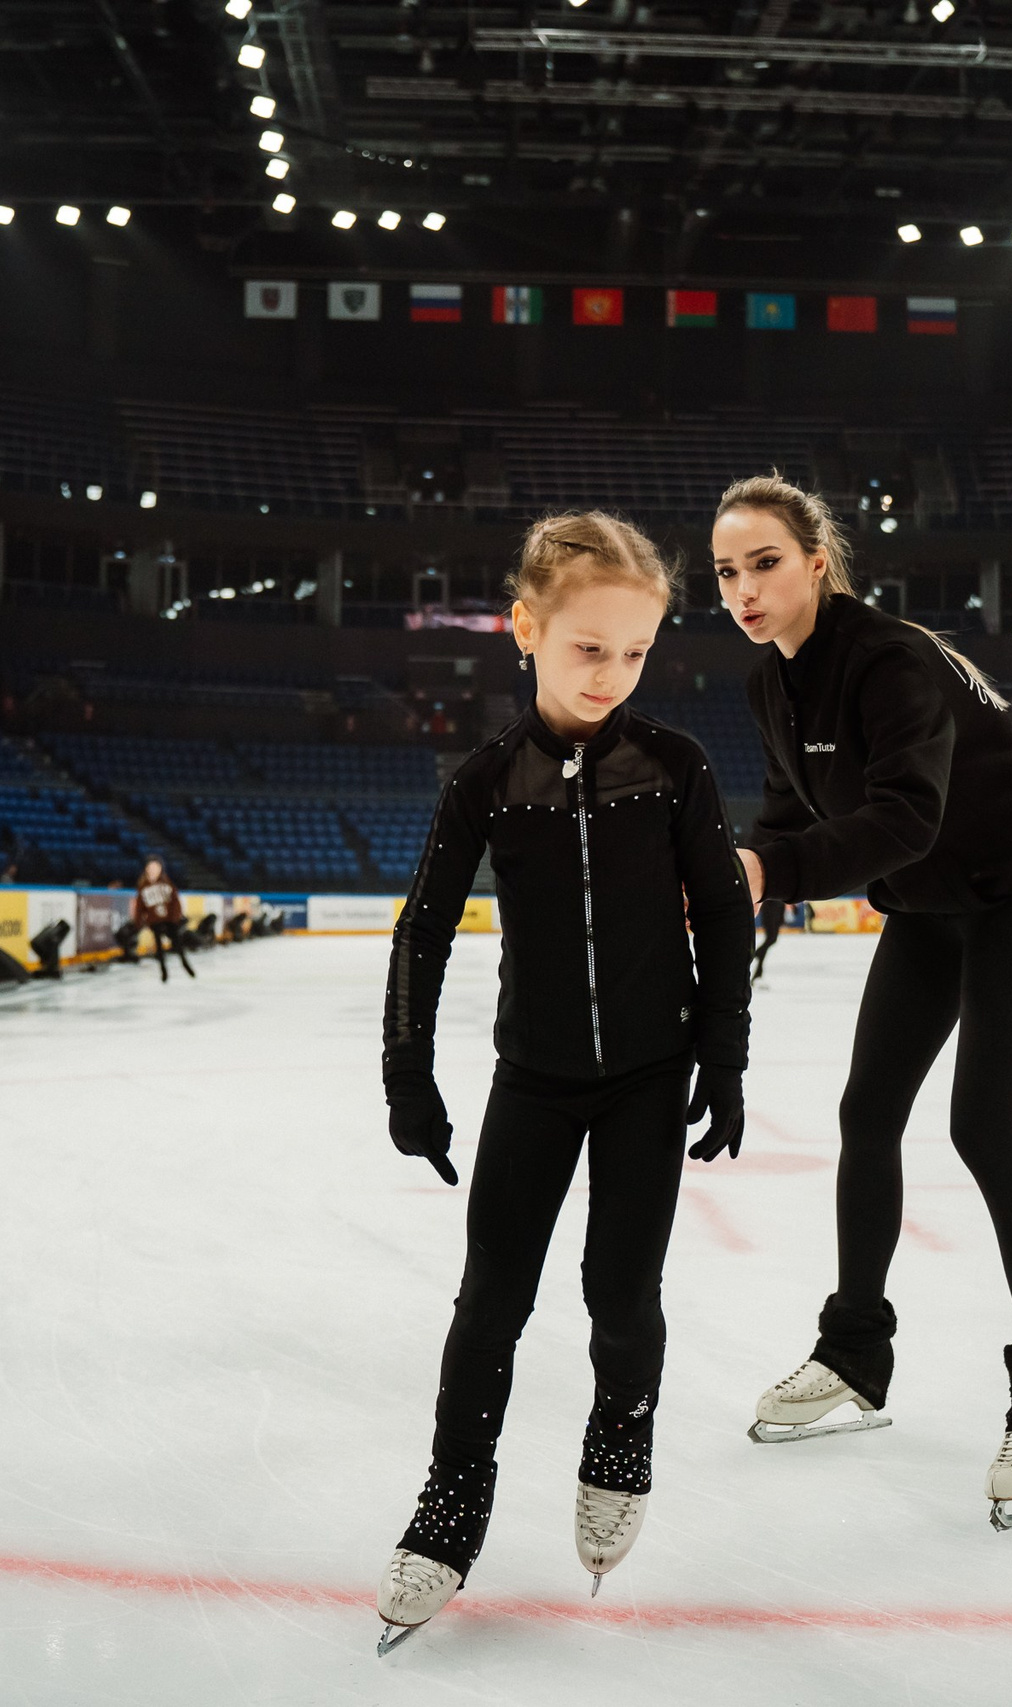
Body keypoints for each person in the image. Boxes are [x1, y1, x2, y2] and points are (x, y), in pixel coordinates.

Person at [374, 512, 752, 1648]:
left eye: (635, 652)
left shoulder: (673, 767)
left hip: (648, 1074)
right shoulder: (483, 783)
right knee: (490, 1300)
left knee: (619, 1296)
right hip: (531, 1079)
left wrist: (725, 1059)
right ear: (525, 629)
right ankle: (451, 1500)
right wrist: (408, 1073)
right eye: (590, 648)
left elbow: (725, 918)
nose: (613, 674)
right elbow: (423, 930)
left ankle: (618, 1435)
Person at [710, 473, 1012, 1531]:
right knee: (865, 1114)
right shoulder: (767, 686)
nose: (743, 589)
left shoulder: (891, 661)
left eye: (764, 564)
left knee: (983, 1126)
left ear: (817, 561)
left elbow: (903, 820)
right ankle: (853, 1357)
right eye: (726, 573)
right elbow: (793, 816)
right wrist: (744, 879)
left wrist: (756, 870)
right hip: (925, 904)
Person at [132, 859, 193, 980]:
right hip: (155, 921)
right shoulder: (143, 887)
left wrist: (175, 918)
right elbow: (139, 907)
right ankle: (163, 970)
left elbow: (175, 902)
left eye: (155, 867)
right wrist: (138, 922)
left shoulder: (167, 883)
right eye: (151, 867)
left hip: (169, 920)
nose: (153, 870)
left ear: (160, 869)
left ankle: (185, 963)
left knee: (177, 942)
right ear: (146, 869)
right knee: (159, 946)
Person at [752, 895, 788, 981]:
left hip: (777, 907)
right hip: (770, 910)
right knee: (771, 938)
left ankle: (757, 957)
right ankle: (755, 955)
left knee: (772, 939)